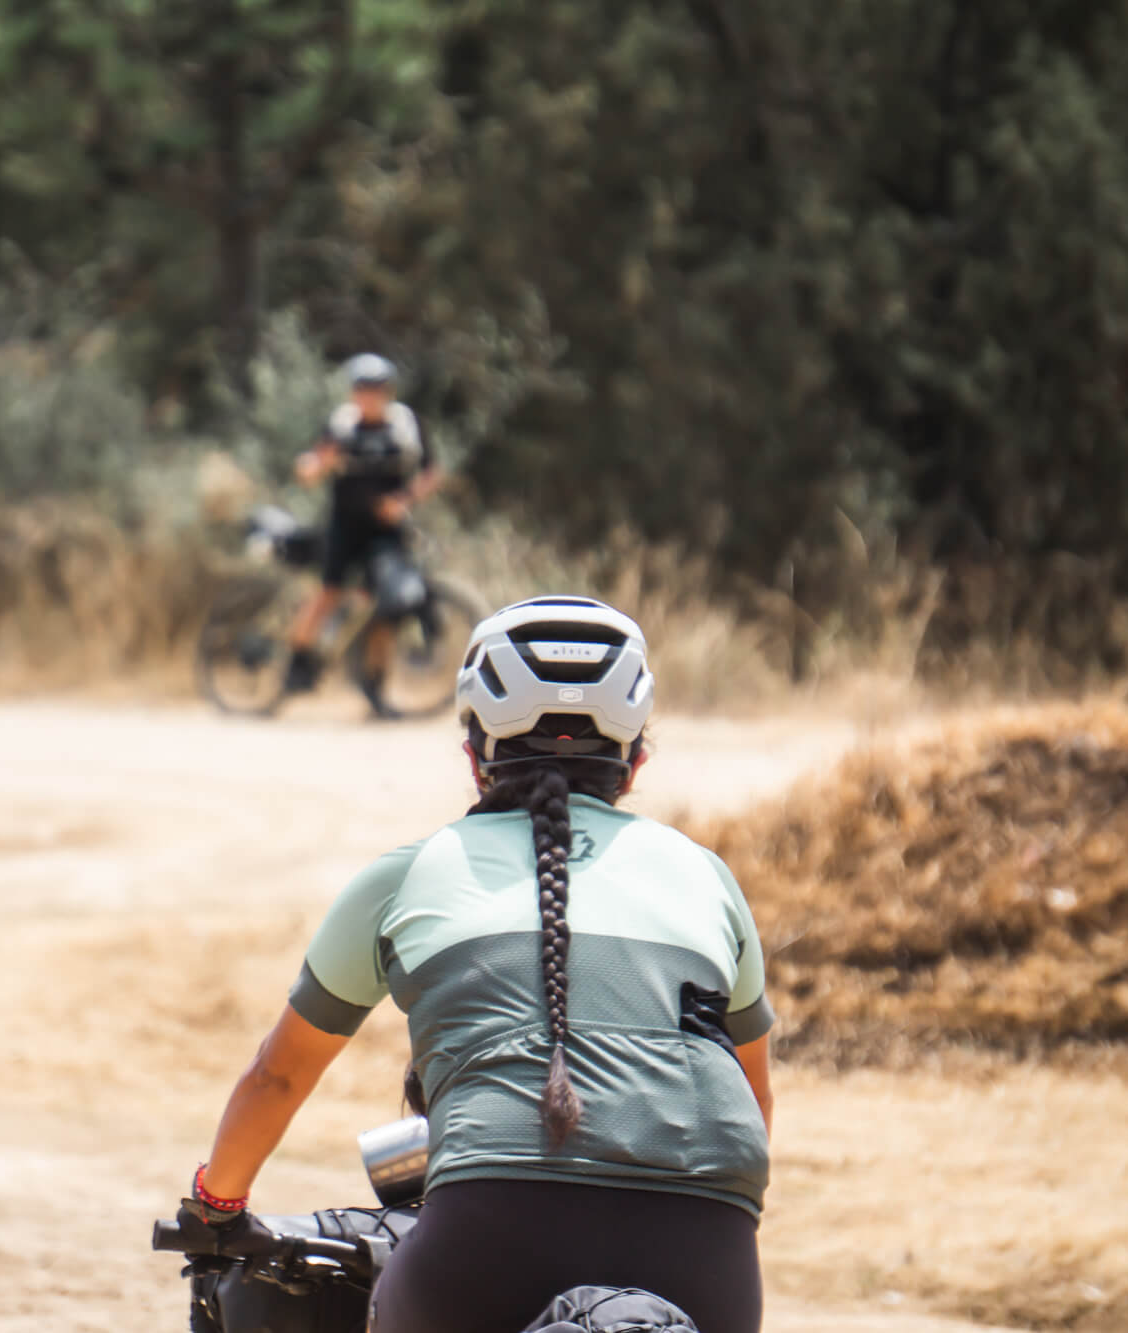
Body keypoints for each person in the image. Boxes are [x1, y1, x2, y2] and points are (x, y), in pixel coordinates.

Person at [182, 597, 775, 1333]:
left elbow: (278, 1075)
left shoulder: (410, 873)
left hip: (483, 1244)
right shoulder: (708, 877)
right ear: (636, 764)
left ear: (472, 757)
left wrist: (216, 1208)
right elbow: (753, 1097)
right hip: (709, 1259)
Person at [283, 353, 441, 717]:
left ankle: (374, 686)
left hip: (387, 531)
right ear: (353, 392)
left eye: (376, 388)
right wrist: (317, 464)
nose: (368, 395)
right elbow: (308, 468)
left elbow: (431, 472)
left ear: (388, 391)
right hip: (344, 526)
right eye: (361, 388)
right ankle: (297, 661)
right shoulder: (341, 424)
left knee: (390, 606)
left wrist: (404, 500)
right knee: (329, 593)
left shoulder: (406, 425)